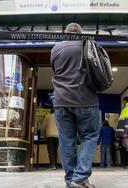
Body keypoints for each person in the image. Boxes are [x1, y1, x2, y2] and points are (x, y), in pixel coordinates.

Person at [51, 23, 101, 188]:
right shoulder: (88, 45)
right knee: (89, 136)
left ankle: (70, 180)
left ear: (66, 33)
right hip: (86, 99)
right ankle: (79, 179)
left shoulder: (56, 49)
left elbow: (55, 70)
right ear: (81, 33)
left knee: (66, 141)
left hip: (61, 101)